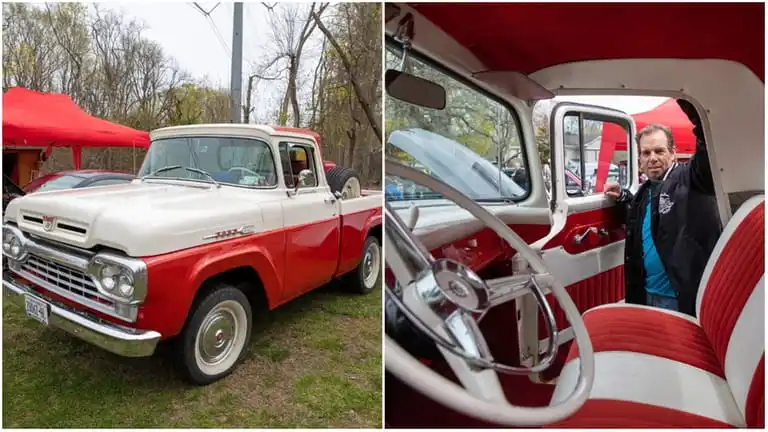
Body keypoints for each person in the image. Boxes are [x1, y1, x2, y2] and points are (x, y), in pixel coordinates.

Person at [604, 99, 722, 316]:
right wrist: (622, 196)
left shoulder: (692, 179)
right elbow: (644, 218)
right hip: (645, 295)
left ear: (673, 153)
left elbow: (709, 141)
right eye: (646, 153)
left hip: (681, 299)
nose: (653, 159)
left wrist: (689, 99)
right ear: (639, 159)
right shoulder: (644, 192)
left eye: (659, 151)